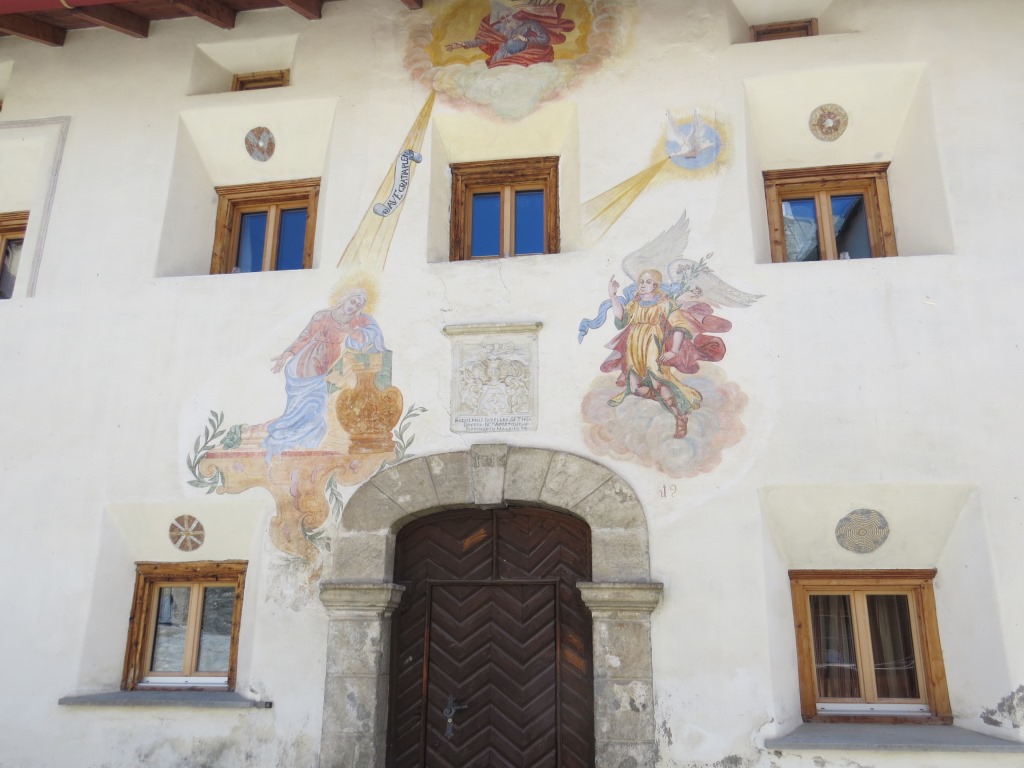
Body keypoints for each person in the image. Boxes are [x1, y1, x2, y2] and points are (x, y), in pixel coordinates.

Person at [601, 270, 727, 439]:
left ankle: (679, 417)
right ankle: (671, 401)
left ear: (655, 285)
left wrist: (673, 351)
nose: (642, 285)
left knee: (658, 382)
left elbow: (679, 327)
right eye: (641, 281)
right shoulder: (635, 303)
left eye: (647, 282)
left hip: (653, 346)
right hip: (634, 348)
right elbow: (621, 318)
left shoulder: (665, 304)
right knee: (636, 389)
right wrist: (612, 296)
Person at [263, 289, 386, 460]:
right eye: (352, 301)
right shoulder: (323, 316)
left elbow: (371, 328)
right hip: (310, 359)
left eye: (358, 305)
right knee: (313, 402)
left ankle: (301, 443)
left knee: (317, 404)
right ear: (345, 299)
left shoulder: (354, 320)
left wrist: (359, 333)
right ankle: (289, 439)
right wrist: (285, 356)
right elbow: (304, 337)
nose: (353, 307)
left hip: (328, 362)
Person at [445, 3, 575, 68]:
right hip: (501, 56)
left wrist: (526, 39)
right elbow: (483, 41)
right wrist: (463, 44)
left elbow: (544, 39)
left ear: (513, 14)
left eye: (507, 15)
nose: (506, 20)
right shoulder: (500, 29)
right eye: (502, 18)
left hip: (524, 55)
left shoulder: (529, 24)